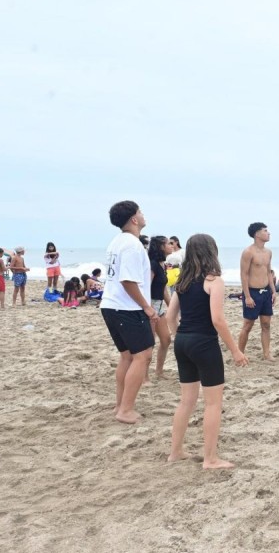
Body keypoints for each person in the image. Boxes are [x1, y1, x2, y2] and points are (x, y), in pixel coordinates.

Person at [166, 233, 248, 469]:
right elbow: (218, 320)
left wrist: (177, 337)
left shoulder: (181, 282)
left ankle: (176, 452)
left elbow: (170, 317)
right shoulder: (214, 281)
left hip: (183, 341)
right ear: (212, 252)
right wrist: (235, 351)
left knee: (186, 401)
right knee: (213, 403)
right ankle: (210, 458)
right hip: (204, 343)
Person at [100, 201, 156, 424]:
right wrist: (147, 306)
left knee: (127, 356)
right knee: (142, 356)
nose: (143, 215)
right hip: (126, 308)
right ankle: (125, 409)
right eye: (140, 212)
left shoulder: (116, 242)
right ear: (134, 219)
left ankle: (120, 404)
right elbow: (127, 280)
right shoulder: (132, 245)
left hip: (111, 305)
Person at [238, 222, 277, 361]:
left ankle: (266, 354)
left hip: (266, 291)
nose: (268, 233)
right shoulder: (248, 252)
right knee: (248, 325)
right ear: (257, 234)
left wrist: (273, 291)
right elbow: (244, 274)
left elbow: (268, 272)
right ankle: (239, 354)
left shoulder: (268, 252)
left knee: (266, 324)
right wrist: (247, 296)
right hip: (252, 292)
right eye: (265, 231)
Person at [147, 236, 173, 380]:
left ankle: (158, 371)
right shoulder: (153, 264)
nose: (171, 245)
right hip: (150, 304)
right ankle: (144, 377)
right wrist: (149, 308)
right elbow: (145, 286)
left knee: (166, 339)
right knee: (149, 343)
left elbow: (163, 289)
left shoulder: (162, 264)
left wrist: (171, 306)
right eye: (168, 243)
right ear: (160, 247)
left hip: (159, 304)